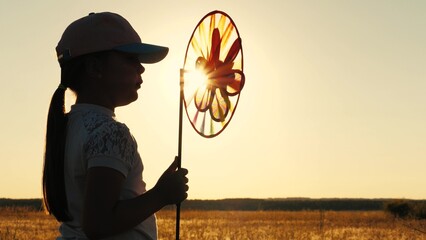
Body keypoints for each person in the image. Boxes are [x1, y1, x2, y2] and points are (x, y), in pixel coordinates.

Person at [42, 12, 189, 240]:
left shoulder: (67, 127)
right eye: (130, 59)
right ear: (94, 68)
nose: (141, 69)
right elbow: (98, 224)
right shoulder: (111, 133)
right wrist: (161, 195)